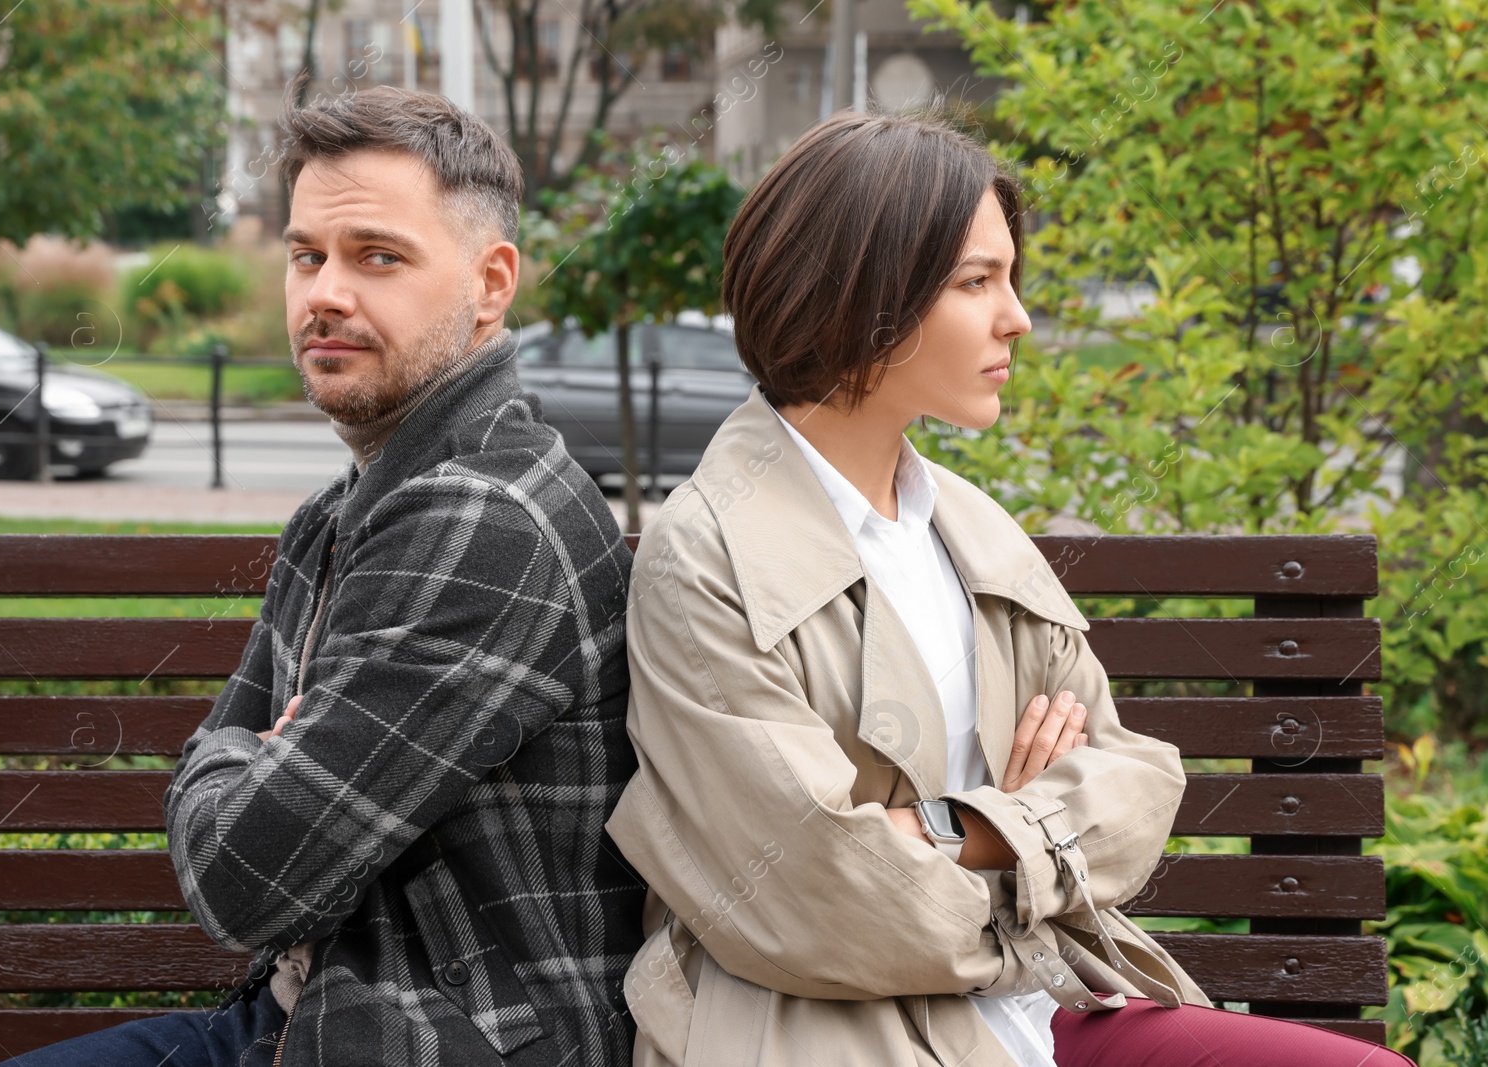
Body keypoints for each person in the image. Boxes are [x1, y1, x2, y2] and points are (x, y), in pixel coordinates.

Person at [603, 110, 1413, 1067]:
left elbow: (1135, 782)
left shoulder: (968, 527)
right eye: (976, 281)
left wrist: (957, 829)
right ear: (859, 297)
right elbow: (811, 889)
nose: (1017, 315)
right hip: (828, 1029)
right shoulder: (707, 554)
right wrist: (1022, 829)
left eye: (1009, 278)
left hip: (1037, 1001)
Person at [0, 86, 643, 1067]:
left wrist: (238, 755)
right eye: (307, 256)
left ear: (492, 280)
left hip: (435, 1036)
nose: (324, 293)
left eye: (377, 257)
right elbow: (244, 820)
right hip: (310, 1011)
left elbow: (243, 878)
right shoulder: (344, 510)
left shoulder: (480, 521)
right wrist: (251, 756)